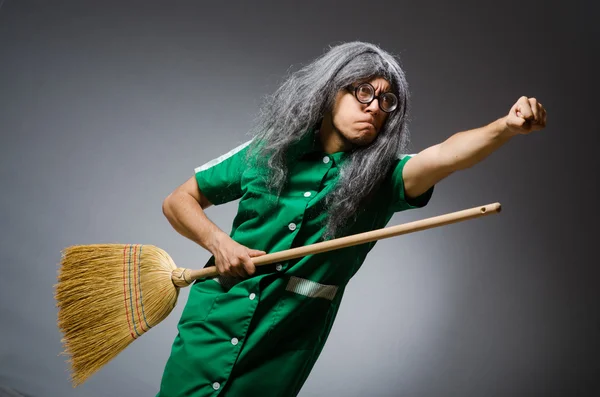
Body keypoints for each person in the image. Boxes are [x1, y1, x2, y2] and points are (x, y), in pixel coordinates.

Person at [157, 41, 547, 396]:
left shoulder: (385, 179)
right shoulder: (268, 151)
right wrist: (218, 243)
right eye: (363, 92)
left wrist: (505, 128)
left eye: (387, 101)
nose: (375, 107)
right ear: (330, 92)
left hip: (279, 347)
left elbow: (446, 154)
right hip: (210, 327)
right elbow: (179, 201)